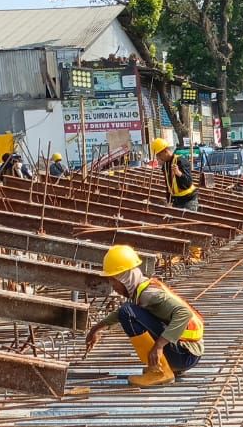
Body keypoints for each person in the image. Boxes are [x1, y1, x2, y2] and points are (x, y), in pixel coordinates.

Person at [85, 244, 206, 388]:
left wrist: (159, 346)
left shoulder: (148, 294)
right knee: (127, 311)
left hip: (184, 354)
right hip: (187, 353)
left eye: (114, 282)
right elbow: (120, 314)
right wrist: (95, 329)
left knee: (127, 312)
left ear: (124, 278)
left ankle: (160, 371)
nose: (114, 289)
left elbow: (183, 313)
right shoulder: (142, 290)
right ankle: (164, 366)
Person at [150, 138, 199, 212]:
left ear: (165, 151)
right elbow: (168, 185)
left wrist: (179, 173)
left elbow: (188, 182)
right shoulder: (165, 166)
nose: (158, 158)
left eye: (159, 155)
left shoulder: (181, 161)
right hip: (177, 200)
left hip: (188, 200)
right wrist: (169, 201)